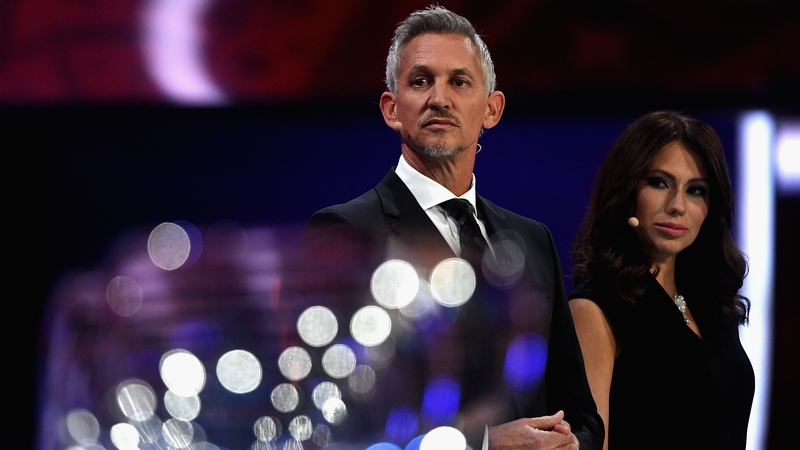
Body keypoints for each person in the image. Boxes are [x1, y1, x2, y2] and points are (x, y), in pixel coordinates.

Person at [303, 5, 603, 450]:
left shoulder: (532, 240)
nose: (439, 99)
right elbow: (334, 421)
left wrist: (570, 443)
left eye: (459, 82)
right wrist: (482, 443)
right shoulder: (346, 232)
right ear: (391, 108)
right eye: (421, 81)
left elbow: (583, 416)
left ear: (492, 109)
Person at [568, 111, 755, 449]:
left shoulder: (714, 308)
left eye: (696, 190)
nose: (677, 206)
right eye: (659, 183)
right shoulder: (594, 310)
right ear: (627, 191)